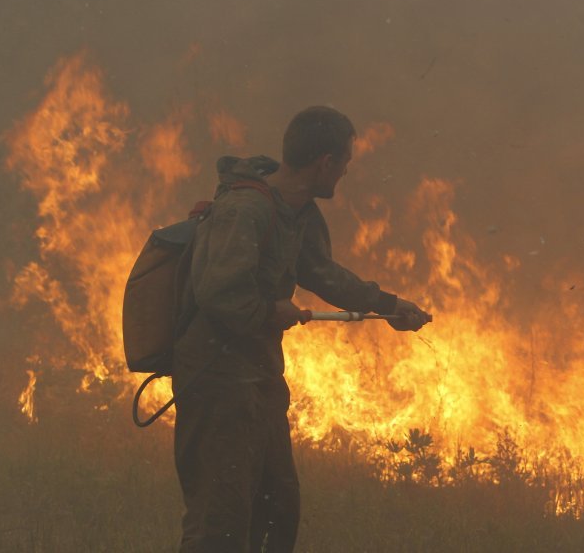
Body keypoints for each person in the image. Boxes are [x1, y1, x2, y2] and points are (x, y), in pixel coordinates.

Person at [172, 105, 431, 552]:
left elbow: (322, 272)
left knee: (277, 509)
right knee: (221, 521)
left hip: (260, 378)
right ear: (324, 163)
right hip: (215, 380)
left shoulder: (297, 212)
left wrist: (387, 306)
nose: (344, 174)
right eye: (344, 164)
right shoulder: (246, 209)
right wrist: (269, 312)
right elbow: (216, 293)